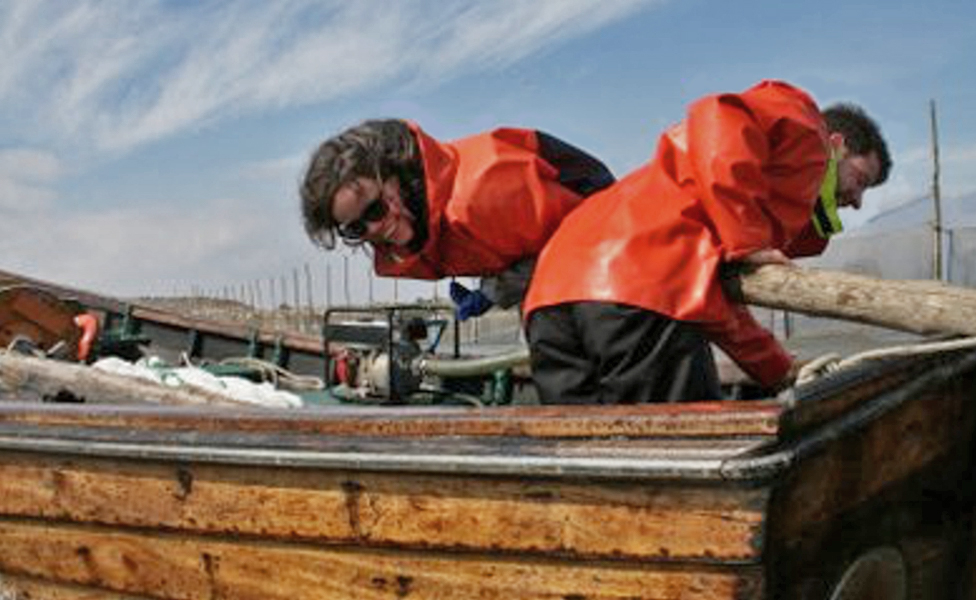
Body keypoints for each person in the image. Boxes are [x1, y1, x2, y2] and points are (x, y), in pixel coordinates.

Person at [523, 80, 891, 404]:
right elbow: (719, 114)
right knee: (671, 451)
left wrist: (778, 369)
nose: (857, 201)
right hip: (634, 286)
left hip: (549, 294)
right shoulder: (805, 127)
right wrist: (747, 240)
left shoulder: (696, 203)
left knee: (578, 449)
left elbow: (714, 303)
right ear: (836, 145)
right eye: (860, 179)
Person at [299, 119, 614, 314]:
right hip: (558, 276)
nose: (376, 228)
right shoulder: (419, 233)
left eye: (375, 209)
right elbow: (517, 248)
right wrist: (493, 289)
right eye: (356, 228)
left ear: (392, 173)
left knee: (552, 329)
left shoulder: (486, 189)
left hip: (609, 252)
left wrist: (494, 291)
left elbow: (582, 234)